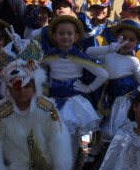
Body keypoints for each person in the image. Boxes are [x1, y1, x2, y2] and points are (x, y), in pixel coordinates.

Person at [84, 19, 140, 167]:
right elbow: (88, 52)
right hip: (106, 99)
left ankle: (113, 160)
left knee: (117, 130)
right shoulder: (108, 54)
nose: (127, 42)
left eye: (132, 40)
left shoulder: (133, 61)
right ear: (117, 37)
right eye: (124, 38)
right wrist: (109, 48)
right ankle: (94, 152)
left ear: (137, 43)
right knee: (100, 127)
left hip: (123, 103)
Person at [41, 15, 108, 154]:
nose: (65, 36)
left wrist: (88, 88)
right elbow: (39, 68)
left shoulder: (79, 56)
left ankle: (76, 162)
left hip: (74, 103)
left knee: (75, 138)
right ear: (55, 36)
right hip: (53, 101)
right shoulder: (49, 56)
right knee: (54, 137)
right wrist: (45, 83)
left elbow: (103, 74)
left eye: (69, 33)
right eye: (61, 33)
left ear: (76, 36)